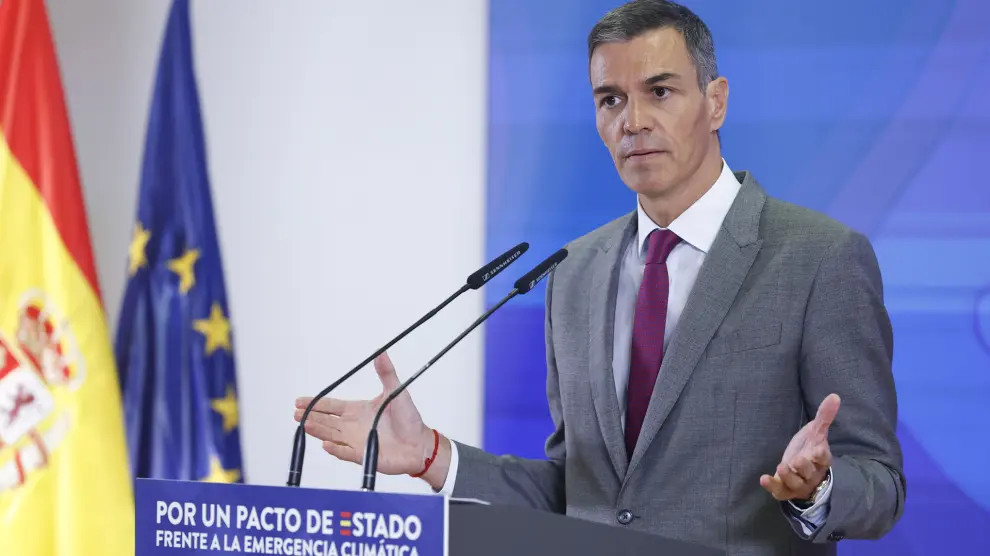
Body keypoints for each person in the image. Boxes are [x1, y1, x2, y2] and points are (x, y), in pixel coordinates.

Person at [294, 1, 906, 554]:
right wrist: (431, 456)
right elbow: (581, 495)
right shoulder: (573, 273)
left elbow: (879, 482)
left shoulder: (820, 258)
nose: (632, 120)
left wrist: (819, 487)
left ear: (715, 100)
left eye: (660, 91)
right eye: (610, 98)